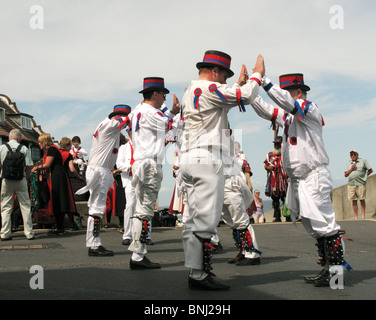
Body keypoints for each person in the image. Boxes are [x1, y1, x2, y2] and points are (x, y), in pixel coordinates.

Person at [250, 70, 351, 287]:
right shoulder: (288, 115)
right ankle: (328, 269)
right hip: (299, 181)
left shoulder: (309, 108)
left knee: (325, 225)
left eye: (286, 92)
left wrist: (264, 80)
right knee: (314, 228)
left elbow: (283, 102)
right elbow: (266, 109)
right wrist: (248, 89)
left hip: (314, 176)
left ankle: (336, 276)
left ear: (298, 92)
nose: (282, 96)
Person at [179, 50, 264, 290]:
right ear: (214, 72)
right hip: (207, 158)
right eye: (225, 75)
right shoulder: (209, 89)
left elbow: (221, 105)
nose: (225, 81)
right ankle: (199, 275)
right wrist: (258, 75)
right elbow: (245, 96)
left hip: (190, 157)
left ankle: (196, 271)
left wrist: (236, 84)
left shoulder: (191, 91)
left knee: (194, 219)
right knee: (205, 220)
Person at [128, 77, 180, 269]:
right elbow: (169, 124)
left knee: (140, 209)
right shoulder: (150, 113)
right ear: (156, 94)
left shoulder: (137, 111)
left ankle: (137, 253)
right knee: (144, 211)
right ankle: (138, 255)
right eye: (163, 95)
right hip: (149, 164)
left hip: (141, 162)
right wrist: (173, 112)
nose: (164, 99)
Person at [76, 104, 131, 256]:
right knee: (97, 208)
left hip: (100, 169)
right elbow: (127, 120)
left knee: (96, 207)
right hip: (99, 170)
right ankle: (94, 244)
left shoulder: (106, 125)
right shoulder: (110, 124)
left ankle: (94, 242)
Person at [31, 133, 71, 235]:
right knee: (56, 200)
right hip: (56, 177)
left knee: (57, 200)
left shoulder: (52, 149)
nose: (39, 144)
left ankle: (59, 227)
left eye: (40, 142)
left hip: (57, 178)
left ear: (44, 142)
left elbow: (47, 164)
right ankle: (58, 226)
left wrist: (36, 168)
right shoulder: (52, 150)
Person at [0, 129, 34, 240]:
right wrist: (27, 178)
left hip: (6, 180)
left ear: (10, 137)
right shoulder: (24, 148)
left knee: (6, 207)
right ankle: (28, 233)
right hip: (21, 179)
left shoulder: (2, 148)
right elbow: (29, 166)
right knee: (25, 206)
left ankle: (5, 233)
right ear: (18, 138)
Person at [59, 137, 83, 230]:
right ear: (67, 145)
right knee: (69, 201)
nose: (71, 147)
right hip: (65, 179)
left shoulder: (57, 153)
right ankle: (72, 223)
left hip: (56, 180)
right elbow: (72, 169)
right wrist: (79, 177)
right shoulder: (67, 155)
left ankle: (59, 225)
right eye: (70, 146)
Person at [264, 136, 289, 222]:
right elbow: (265, 165)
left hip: (284, 182)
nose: (277, 146)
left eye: (278, 144)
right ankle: (277, 216)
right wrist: (268, 167)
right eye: (275, 144)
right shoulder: (270, 155)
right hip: (273, 182)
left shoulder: (286, 155)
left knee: (286, 199)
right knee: (275, 200)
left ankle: (288, 215)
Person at [344, 149, 373, 219]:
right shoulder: (348, 163)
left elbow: (370, 170)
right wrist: (351, 169)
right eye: (351, 154)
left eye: (354, 154)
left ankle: (363, 215)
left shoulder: (363, 161)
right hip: (351, 184)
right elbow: (345, 175)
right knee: (354, 200)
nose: (353, 156)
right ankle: (356, 217)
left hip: (360, 183)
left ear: (357, 154)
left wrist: (364, 176)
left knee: (361, 199)